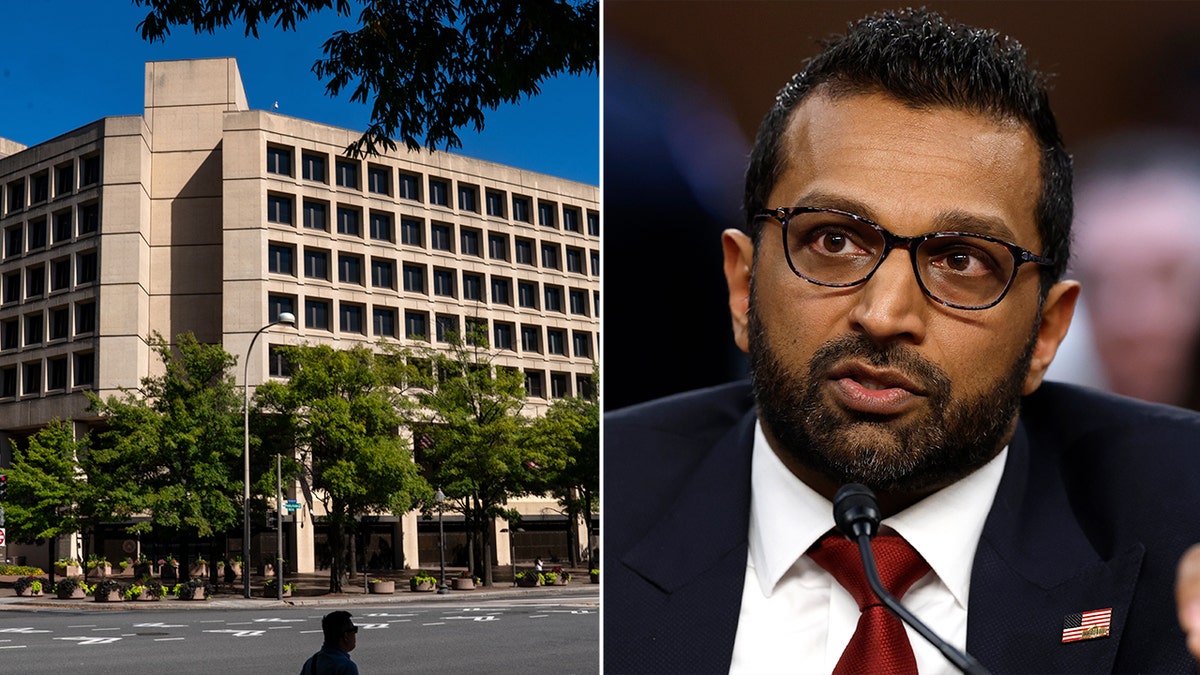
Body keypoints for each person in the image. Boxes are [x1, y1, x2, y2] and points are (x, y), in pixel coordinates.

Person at [604, 8, 1200, 674]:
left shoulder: (1180, 508)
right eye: (833, 241)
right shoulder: (611, 497)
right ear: (743, 287)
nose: (884, 314)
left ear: (1046, 333)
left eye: (963, 260)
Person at [300, 610, 359, 675]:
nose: (355, 634)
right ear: (346, 636)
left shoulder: (311, 663)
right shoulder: (347, 667)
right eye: (354, 630)